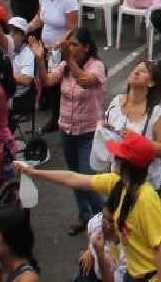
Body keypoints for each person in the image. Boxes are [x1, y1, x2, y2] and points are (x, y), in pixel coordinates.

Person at [15, 132, 161, 282]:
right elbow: (73, 178)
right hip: (136, 273)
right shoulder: (117, 183)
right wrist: (34, 173)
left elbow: (160, 249)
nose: (113, 157)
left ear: (128, 165)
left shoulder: (146, 198)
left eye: (118, 156)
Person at [31, 26, 105, 235]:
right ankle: (85, 217)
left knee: (88, 180)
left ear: (87, 47)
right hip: (67, 130)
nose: (70, 48)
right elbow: (46, 81)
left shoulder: (97, 67)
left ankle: (106, 218)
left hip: (88, 132)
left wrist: (67, 59)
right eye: (69, 45)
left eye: (74, 45)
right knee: (74, 178)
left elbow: (84, 81)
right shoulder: (64, 66)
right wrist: (39, 58)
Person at [104, 60, 161, 189]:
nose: (136, 71)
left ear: (151, 83)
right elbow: (109, 134)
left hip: (144, 183)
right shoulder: (116, 103)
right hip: (116, 176)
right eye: (135, 68)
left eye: (143, 71)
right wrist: (104, 128)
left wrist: (139, 142)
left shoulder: (156, 112)